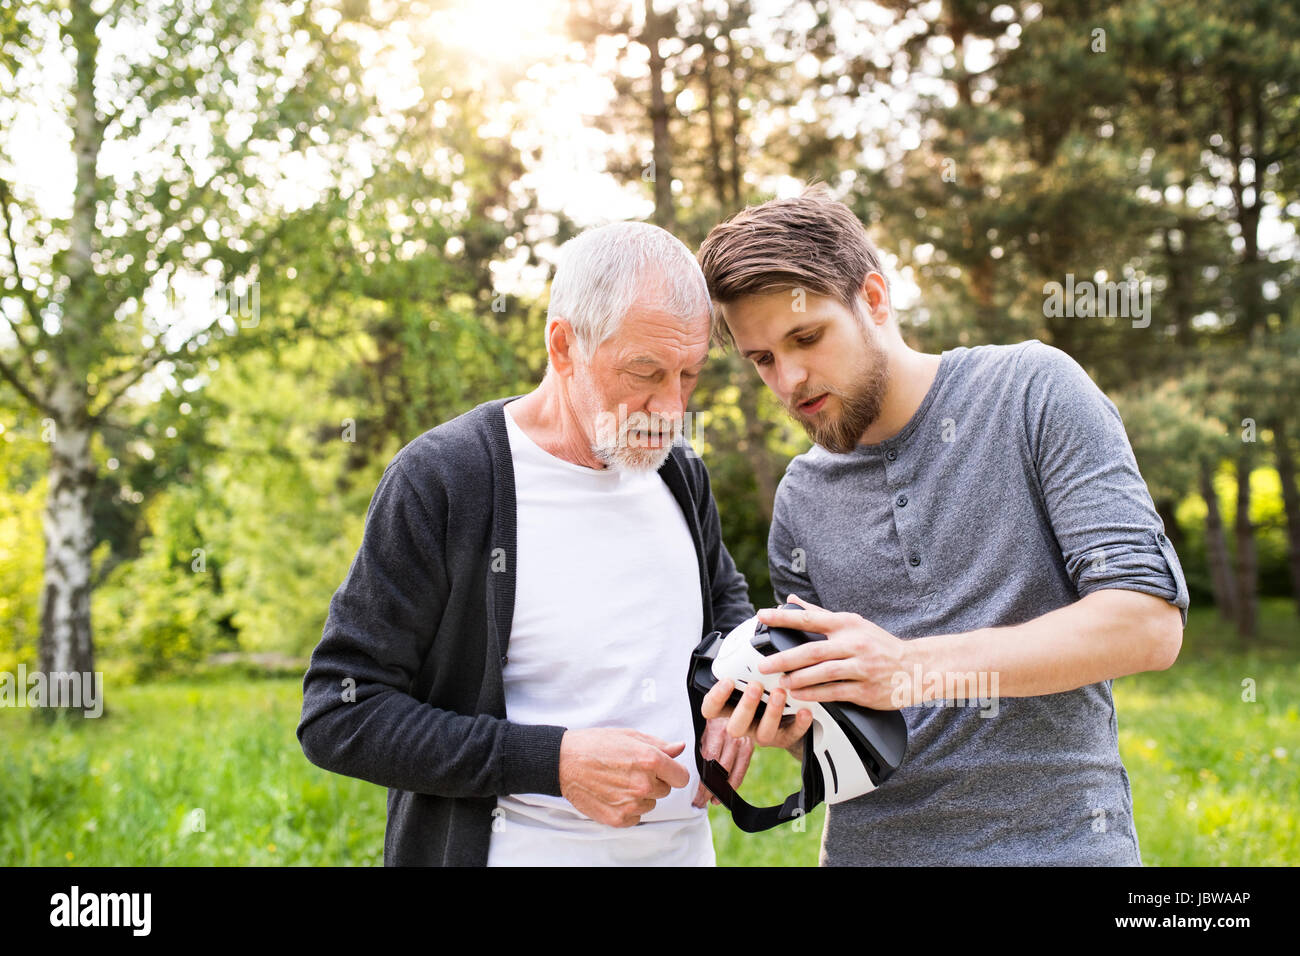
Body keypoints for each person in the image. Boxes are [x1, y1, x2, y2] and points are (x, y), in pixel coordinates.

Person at [694, 184, 1190, 865]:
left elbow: (1148, 623)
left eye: (806, 336)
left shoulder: (1033, 392)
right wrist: (790, 721)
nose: (789, 379)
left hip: (1061, 848)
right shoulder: (801, 497)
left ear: (873, 299)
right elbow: (844, 727)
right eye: (763, 359)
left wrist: (911, 668)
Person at [297, 221, 756, 866]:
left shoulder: (679, 473)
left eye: (690, 374)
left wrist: (732, 697)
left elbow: (724, 603)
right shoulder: (445, 480)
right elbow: (339, 713)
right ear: (563, 345)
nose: (671, 407)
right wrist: (553, 762)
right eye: (644, 372)